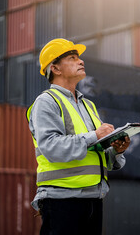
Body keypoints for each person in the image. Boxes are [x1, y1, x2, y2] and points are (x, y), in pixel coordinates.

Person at [26, 38, 130, 235]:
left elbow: (96, 150)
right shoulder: (46, 102)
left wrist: (116, 150)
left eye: (79, 58)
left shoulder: (88, 106)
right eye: (72, 58)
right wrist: (94, 135)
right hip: (62, 202)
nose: (81, 61)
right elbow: (51, 147)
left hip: (93, 200)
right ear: (55, 68)